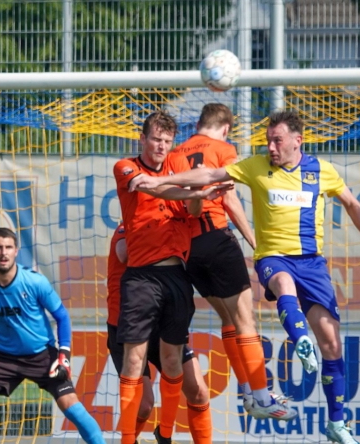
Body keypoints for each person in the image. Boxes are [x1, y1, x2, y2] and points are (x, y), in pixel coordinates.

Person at [130, 110, 360, 444]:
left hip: (310, 264)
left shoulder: (322, 171)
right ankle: (275, 370)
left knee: (332, 344)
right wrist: (158, 181)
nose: (271, 147)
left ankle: (336, 422)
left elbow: (352, 203)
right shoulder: (253, 164)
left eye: (277, 141)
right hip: (270, 257)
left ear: (298, 140)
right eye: (267, 141)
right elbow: (212, 178)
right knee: (275, 290)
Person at [168, 103, 293, 420]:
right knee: (245, 320)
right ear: (226, 128)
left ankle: (250, 392)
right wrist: (256, 243)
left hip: (190, 250)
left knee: (228, 320)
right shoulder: (223, 148)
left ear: (198, 123)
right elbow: (230, 198)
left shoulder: (175, 154)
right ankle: (262, 397)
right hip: (218, 239)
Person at [113, 110, 230, 444]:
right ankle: (125, 440)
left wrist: (199, 196)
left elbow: (192, 211)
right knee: (134, 360)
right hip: (141, 278)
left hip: (177, 278)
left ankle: (165, 434)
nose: (161, 146)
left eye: (167, 141)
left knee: (172, 360)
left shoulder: (179, 173)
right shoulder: (126, 167)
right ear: (142, 139)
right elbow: (153, 190)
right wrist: (192, 187)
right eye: (155, 139)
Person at [0, 228, 104, 444]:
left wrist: (64, 355)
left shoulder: (35, 281)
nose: (3, 253)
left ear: (16, 250)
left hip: (42, 355)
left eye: (8, 247)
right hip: (1, 357)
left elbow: (62, 316)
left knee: (70, 404)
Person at [106, 222, 211, 444]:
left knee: (199, 392)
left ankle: (165, 434)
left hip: (162, 326)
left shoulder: (178, 225)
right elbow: (123, 253)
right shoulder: (130, 225)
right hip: (126, 326)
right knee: (144, 405)